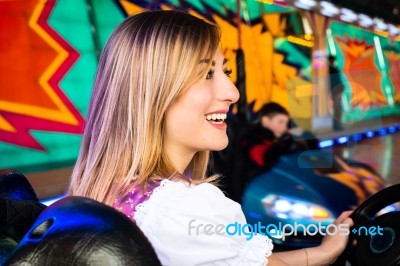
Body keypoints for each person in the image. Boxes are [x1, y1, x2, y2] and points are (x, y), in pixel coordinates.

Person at [68, 10, 353, 266]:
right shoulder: (184, 209)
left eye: (224, 72)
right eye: (206, 73)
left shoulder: (109, 192)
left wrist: (321, 253)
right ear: (150, 94)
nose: (232, 93)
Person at [328, 55, 344, 131]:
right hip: (335, 90)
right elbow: (332, 80)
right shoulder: (329, 68)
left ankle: (337, 124)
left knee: (338, 107)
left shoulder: (332, 68)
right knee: (337, 107)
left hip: (336, 89)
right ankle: (336, 125)